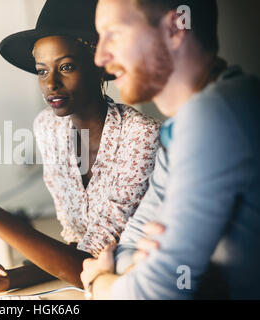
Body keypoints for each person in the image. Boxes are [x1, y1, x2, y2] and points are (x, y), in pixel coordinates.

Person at [0, 0, 160, 293]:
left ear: (100, 66)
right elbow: (77, 248)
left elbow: (90, 263)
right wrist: (11, 279)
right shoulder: (49, 128)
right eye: (42, 71)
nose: (51, 83)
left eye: (66, 67)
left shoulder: (141, 136)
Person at [80, 0, 260, 299]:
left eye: (114, 34)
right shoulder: (178, 130)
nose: (100, 57)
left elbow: (159, 292)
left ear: (176, 29)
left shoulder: (216, 115)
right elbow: (128, 246)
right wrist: (141, 270)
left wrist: (100, 283)